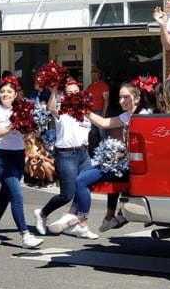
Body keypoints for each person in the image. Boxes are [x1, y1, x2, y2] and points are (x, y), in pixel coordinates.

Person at [52, 82, 143, 238]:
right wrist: (85, 111)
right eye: (120, 98)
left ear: (137, 98)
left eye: (126, 97)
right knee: (87, 174)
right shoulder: (127, 115)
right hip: (125, 163)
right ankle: (109, 216)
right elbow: (104, 123)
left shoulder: (144, 115)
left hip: (133, 167)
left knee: (81, 180)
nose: (122, 101)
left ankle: (82, 223)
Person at [0, 76, 43, 248]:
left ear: (16, 94)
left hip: (18, 156)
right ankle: (25, 236)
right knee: (16, 194)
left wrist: (33, 130)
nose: (5, 94)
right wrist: (13, 124)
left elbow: (32, 134)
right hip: (1, 157)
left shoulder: (23, 109)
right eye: (2, 91)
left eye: (9, 91)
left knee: (5, 196)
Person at [33, 78, 93, 236]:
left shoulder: (86, 111)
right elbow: (51, 107)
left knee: (85, 187)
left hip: (83, 153)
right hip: (66, 155)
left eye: (75, 92)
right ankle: (42, 213)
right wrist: (53, 91)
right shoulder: (62, 109)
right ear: (64, 95)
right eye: (69, 93)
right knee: (67, 194)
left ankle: (79, 224)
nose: (73, 95)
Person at [85, 66, 110, 144]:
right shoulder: (89, 87)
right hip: (91, 112)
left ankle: (106, 150)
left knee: (102, 132)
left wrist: (104, 113)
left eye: (96, 73)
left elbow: (106, 100)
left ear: (99, 75)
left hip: (99, 111)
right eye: (92, 73)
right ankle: (97, 151)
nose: (94, 75)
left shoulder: (103, 85)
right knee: (94, 132)